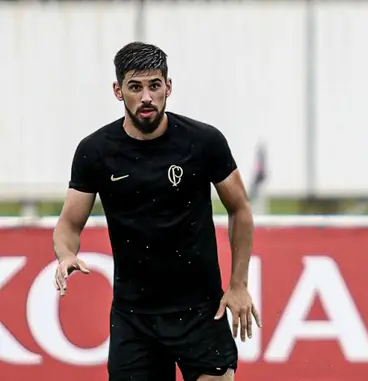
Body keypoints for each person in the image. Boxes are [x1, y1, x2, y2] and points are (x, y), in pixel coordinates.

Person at [52, 41, 260, 381]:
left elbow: (240, 209)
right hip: (135, 317)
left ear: (168, 87)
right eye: (135, 87)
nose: (146, 97)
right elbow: (68, 224)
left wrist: (238, 285)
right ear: (119, 91)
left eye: (154, 85)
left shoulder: (204, 142)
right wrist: (65, 254)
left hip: (202, 311)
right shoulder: (96, 151)